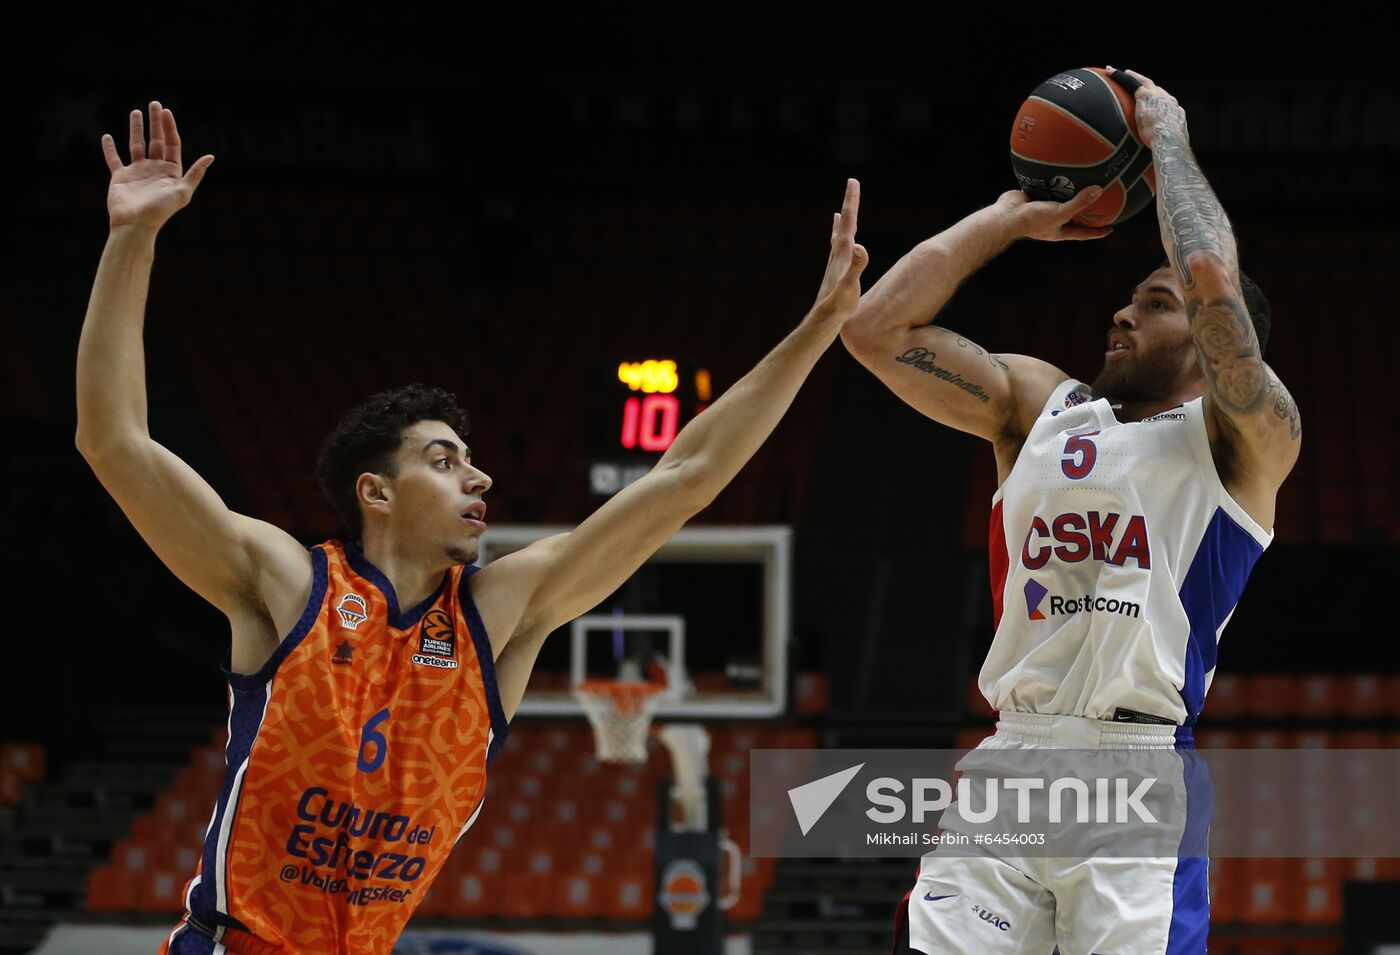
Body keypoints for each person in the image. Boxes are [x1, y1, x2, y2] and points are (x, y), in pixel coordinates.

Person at [75, 101, 869, 955]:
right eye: (445, 459)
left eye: (472, 459)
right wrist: (132, 239)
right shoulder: (287, 582)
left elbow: (687, 476)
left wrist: (818, 329)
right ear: (376, 492)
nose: (479, 476)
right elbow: (113, 441)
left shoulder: (496, 617)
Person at [840, 69, 1300, 954]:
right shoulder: (1041, 407)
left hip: (1136, 778)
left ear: (1213, 342)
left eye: (1154, 304)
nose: (1122, 312)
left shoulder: (1246, 440)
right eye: (1131, 297)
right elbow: (873, 332)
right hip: (1013, 756)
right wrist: (1012, 218)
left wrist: (1166, 142)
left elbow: (1208, 273)